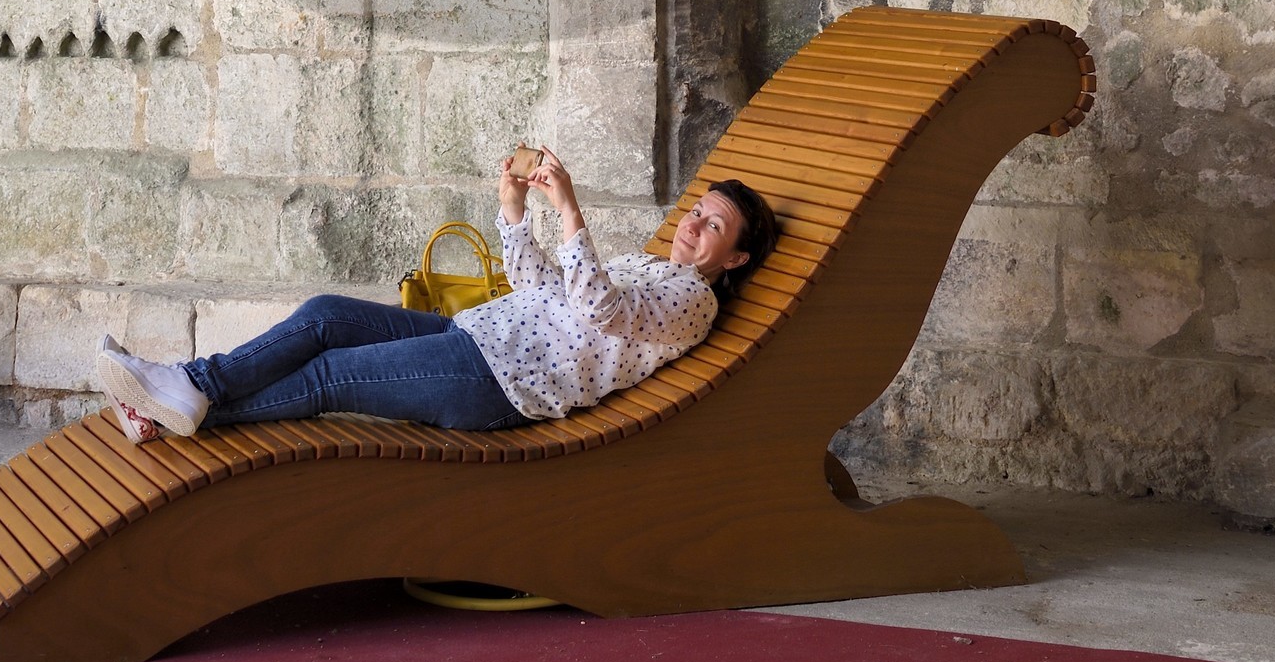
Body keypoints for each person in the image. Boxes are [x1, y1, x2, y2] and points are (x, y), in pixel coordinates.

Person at [96, 149, 778, 443]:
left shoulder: (695, 304)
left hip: (501, 382)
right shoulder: (640, 265)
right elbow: (543, 290)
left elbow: (599, 311)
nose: (692, 224)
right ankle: (187, 385)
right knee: (328, 315)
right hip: (474, 338)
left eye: (713, 225)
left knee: (329, 376)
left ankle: (185, 405)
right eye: (697, 210)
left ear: (736, 256)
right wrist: (514, 212)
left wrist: (570, 210)